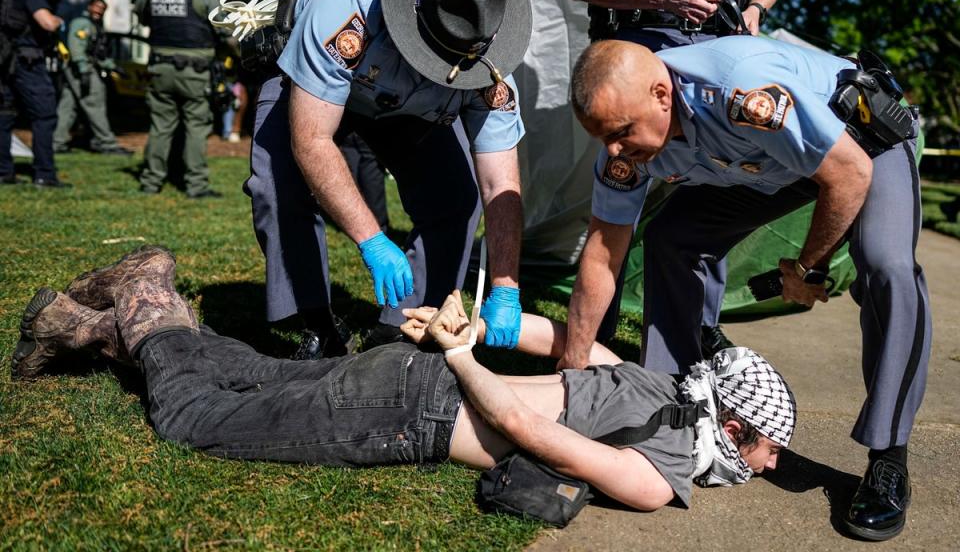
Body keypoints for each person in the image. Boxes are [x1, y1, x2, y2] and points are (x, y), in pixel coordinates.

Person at [11, 245, 796, 516]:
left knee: (254, 374)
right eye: (769, 451)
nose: (768, 468)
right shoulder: (661, 477)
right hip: (407, 411)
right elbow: (530, 433)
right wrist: (461, 353)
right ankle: (145, 288)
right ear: (732, 428)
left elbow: (564, 342)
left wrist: (473, 327)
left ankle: (77, 327)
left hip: (410, 379)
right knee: (192, 418)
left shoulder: (661, 388)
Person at [563, 37, 929, 541]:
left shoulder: (739, 91)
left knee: (888, 268)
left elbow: (847, 174)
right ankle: (669, 409)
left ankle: (889, 456)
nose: (614, 152)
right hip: (772, 165)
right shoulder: (626, 147)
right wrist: (573, 366)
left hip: (862, 143)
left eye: (622, 133)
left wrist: (806, 269)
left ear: (661, 95)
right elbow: (603, 253)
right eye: (603, 137)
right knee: (672, 237)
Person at [245, 0, 532, 360]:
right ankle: (317, 322)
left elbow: (500, 184)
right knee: (276, 182)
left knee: (457, 196)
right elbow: (312, 139)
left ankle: (410, 322)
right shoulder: (345, 6)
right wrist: (372, 239)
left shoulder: (491, 58)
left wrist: (506, 287)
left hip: (411, 113)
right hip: (314, 95)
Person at [564, 0, 785, 353]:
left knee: (716, 192)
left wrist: (755, 11)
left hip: (717, 55)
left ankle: (700, 329)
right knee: (618, 195)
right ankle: (595, 337)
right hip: (638, 58)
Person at [333, 0, 406, 231]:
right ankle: (379, 222)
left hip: (346, 77)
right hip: (384, 84)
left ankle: (346, 217)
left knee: (347, 148)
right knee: (370, 158)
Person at [135, 0, 221, 198]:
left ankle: (151, 182)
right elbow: (224, 29)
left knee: (160, 126)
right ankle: (196, 186)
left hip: (159, 70)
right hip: (194, 72)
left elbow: (140, 13)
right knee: (196, 126)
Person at [0, 0, 68, 188]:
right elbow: (47, 23)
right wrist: (59, 22)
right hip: (27, 62)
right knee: (44, 116)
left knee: (4, 116)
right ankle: (44, 174)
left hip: (3, 62)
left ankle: (3, 172)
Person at [53, 0, 132, 155]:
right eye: (96, 7)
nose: (99, 11)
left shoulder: (94, 25)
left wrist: (113, 67)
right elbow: (76, 49)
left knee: (68, 107)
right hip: (81, 69)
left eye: (102, 9)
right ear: (89, 7)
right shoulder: (82, 23)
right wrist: (83, 71)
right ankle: (107, 143)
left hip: (79, 68)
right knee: (95, 102)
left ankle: (56, 143)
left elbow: (97, 54)